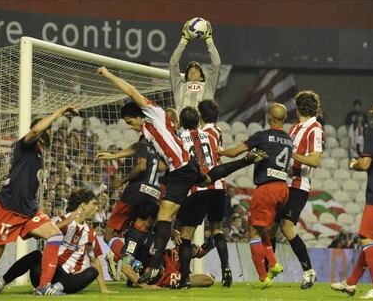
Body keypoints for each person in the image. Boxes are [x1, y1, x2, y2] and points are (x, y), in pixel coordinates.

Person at [96, 66, 210, 285]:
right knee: (166, 218)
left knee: (160, 219)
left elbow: (130, 91)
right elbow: (138, 146)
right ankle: (161, 263)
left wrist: (109, 75)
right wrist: (114, 155)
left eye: (130, 122)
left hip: (181, 169)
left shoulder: (153, 113)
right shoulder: (147, 132)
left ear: (138, 115)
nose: (130, 126)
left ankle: (151, 264)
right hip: (180, 172)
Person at [0, 105, 78, 296]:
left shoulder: (40, 154)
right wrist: (59, 112)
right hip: (8, 209)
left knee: (55, 235)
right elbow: (35, 130)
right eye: (48, 129)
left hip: (28, 212)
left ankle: (43, 287)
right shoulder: (25, 145)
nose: (50, 133)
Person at [0, 189, 115, 295]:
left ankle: (53, 289)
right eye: (94, 204)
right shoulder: (59, 220)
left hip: (66, 280)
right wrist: (68, 221)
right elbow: (39, 236)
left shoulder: (90, 233)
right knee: (37, 255)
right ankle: (0, 284)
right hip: (45, 272)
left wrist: (103, 288)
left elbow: (95, 260)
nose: (97, 208)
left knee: (92, 271)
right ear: (83, 205)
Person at [220, 103, 292, 289]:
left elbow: (235, 152)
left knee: (252, 231)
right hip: (283, 188)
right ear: (284, 119)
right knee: (262, 229)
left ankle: (262, 278)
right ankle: (274, 263)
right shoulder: (288, 139)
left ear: (269, 117)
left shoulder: (262, 136)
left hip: (266, 188)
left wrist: (220, 151)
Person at [174, 106, 231, 288]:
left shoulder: (179, 139)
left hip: (197, 188)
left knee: (186, 234)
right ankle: (226, 269)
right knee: (217, 229)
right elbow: (217, 159)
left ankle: (184, 278)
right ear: (199, 121)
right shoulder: (211, 136)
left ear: (181, 123)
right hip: (218, 186)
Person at [274, 90, 324, 289]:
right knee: (270, 224)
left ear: (297, 109)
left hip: (299, 185)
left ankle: (309, 272)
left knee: (286, 226)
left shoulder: (315, 128)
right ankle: (269, 267)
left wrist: (291, 154)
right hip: (283, 182)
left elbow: (314, 160)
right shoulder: (294, 128)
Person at [96, 139, 165, 279]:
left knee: (109, 235)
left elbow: (141, 166)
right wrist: (114, 156)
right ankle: (138, 268)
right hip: (154, 195)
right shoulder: (162, 151)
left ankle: (126, 260)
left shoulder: (143, 145)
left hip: (135, 193)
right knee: (137, 231)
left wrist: (121, 181)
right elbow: (163, 167)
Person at [331, 101, 373, 299]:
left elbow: (365, 163)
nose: (371, 110)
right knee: (371, 242)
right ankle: (350, 283)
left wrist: (353, 164)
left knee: (365, 236)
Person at [119, 217, 215, 289]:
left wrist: (175, 234)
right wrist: (144, 286)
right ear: (149, 219)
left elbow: (166, 230)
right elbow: (125, 267)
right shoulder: (134, 239)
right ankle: (186, 277)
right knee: (208, 279)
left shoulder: (153, 226)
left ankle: (202, 250)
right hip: (160, 274)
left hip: (166, 257)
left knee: (187, 247)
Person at [170, 19, 221, 114]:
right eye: (189, 71)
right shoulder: (180, 87)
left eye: (196, 70)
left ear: (202, 77)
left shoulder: (208, 87)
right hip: (182, 127)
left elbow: (216, 64)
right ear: (186, 77)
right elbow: (173, 64)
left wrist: (209, 40)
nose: (192, 71)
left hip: (201, 127)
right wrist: (184, 40)